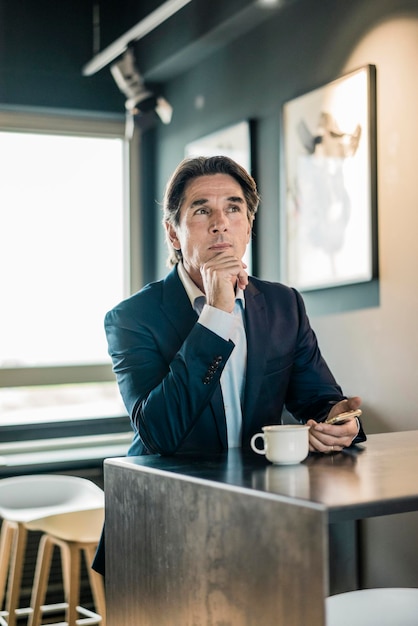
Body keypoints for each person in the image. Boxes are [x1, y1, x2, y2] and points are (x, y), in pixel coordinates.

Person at [92, 155, 365, 574]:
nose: (220, 222)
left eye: (233, 208)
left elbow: (319, 399)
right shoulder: (131, 318)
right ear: (174, 233)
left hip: (260, 515)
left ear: (248, 227)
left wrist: (339, 421)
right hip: (160, 525)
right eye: (202, 210)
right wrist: (217, 311)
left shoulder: (282, 304)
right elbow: (159, 431)